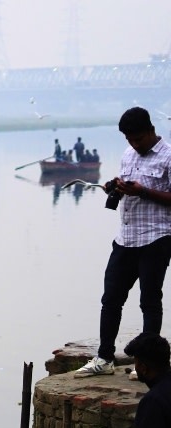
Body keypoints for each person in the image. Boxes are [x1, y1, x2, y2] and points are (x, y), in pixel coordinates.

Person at [76, 107, 171, 377]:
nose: (134, 144)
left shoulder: (168, 157)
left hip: (156, 237)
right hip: (126, 238)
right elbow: (127, 184)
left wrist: (143, 191)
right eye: (129, 139)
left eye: (138, 139)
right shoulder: (128, 155)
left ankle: (147, 364)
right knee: (111, 299)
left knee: (150, 301)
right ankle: (104, 358)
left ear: (151, 131)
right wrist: (115, 187)